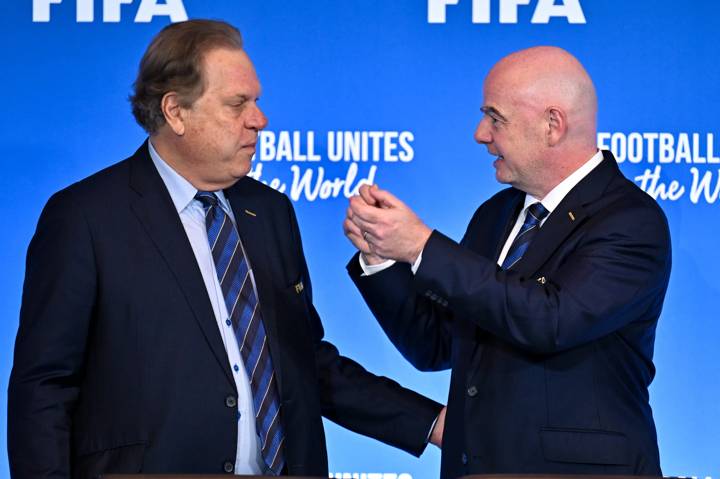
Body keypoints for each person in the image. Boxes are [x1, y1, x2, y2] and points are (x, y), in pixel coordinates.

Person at [8, 19, 444, 478]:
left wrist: (433, 423)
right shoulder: (85, 216)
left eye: (256, 102)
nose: (259, 119)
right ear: (175, 111)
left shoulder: (270, 211)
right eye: (239, 104)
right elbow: (45, 388)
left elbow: (302, 362)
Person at [344, 46, 671, 478]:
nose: (481, 133)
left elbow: (551, 320)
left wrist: (421, 246)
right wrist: (382, 258)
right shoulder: (495, 214)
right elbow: (437, 343)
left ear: (552, 125)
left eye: (495, 117)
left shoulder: (630, 220)